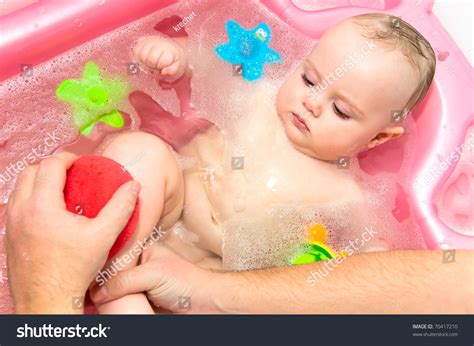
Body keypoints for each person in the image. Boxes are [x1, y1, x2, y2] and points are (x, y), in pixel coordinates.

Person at [5, 153, 473, 313]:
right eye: (309, 78)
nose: (311, 102)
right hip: (172, 246)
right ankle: (114, 269)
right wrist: (208, 289)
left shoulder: (348, 192)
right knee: (142, 152)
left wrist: (44, 300)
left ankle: (115, 292)